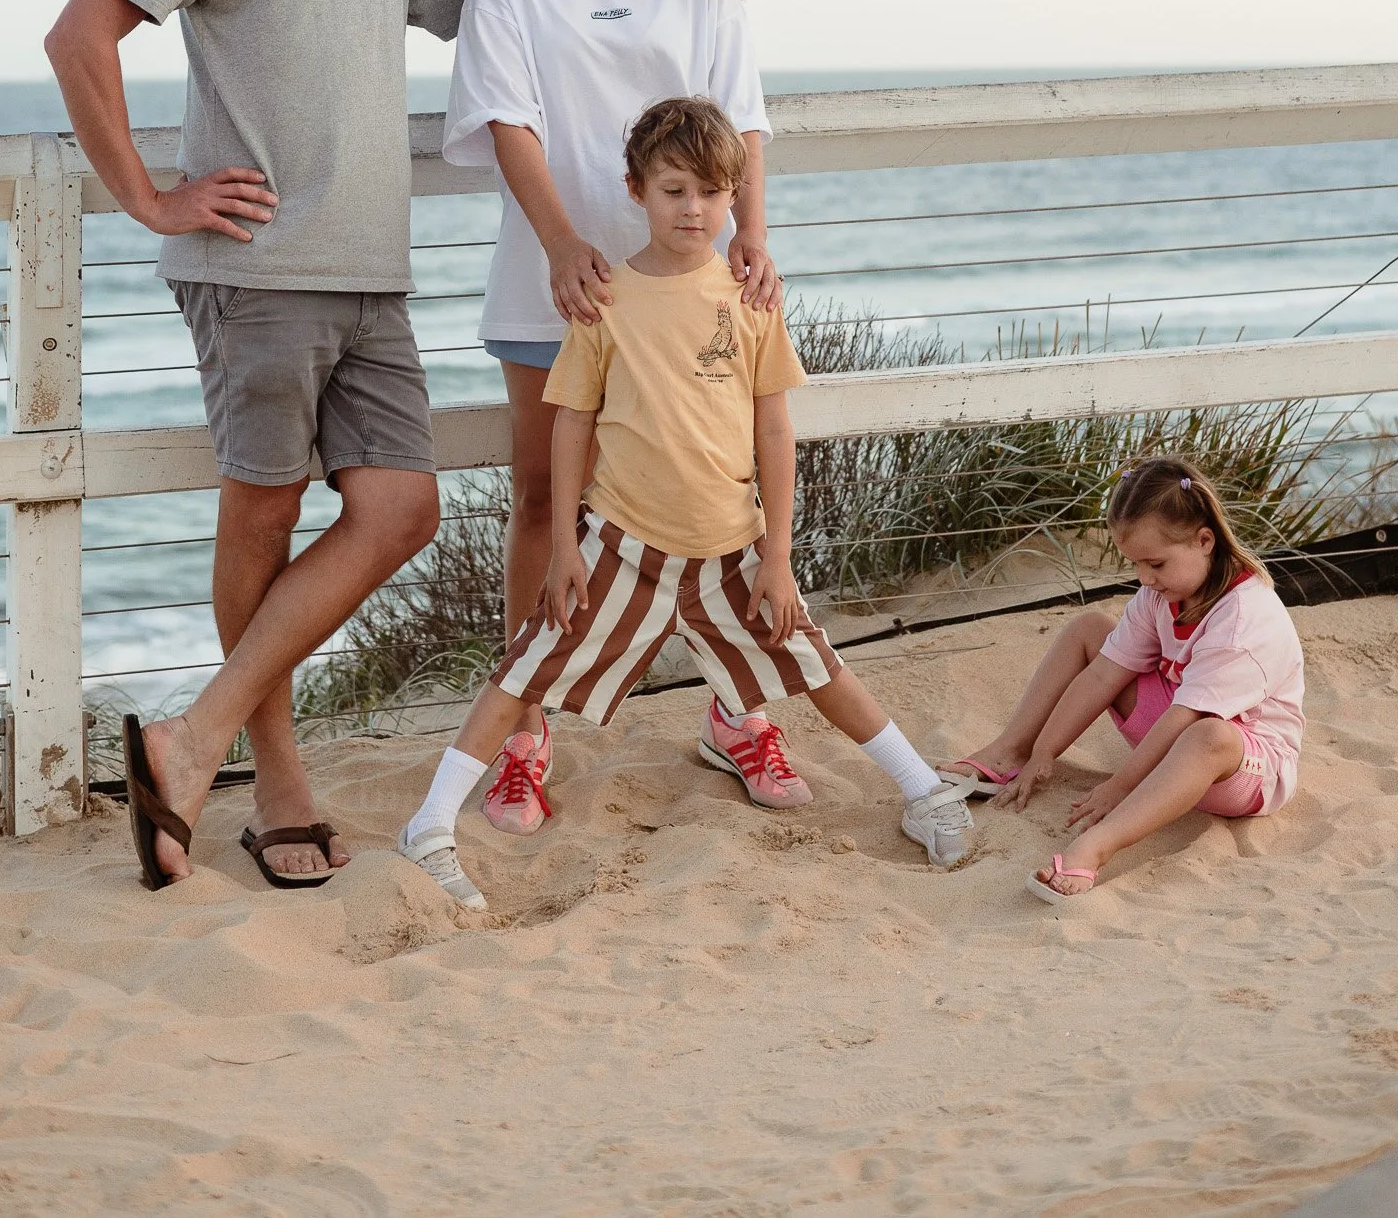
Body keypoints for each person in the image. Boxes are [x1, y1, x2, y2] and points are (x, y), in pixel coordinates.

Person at [44, 0, 474, 891]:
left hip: (368, 274)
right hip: (254, 270)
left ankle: (189, 739)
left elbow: (497, 8)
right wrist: (147, 194)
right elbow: (82, 32)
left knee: (400, 509)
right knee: (266, 516)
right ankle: (271, 784)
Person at [396, 97, 978, 907]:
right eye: (673, 190)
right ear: (635, 190)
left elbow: (774, 434)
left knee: (813, 663)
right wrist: (564, 545)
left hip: (730, 548)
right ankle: (427, 826)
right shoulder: (605, 299)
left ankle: (922, 791)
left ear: (732, 196)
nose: (693, 208)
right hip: (623, 545)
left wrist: (776, 556)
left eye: (710, 192)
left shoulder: (749, 300)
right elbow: (570, 427)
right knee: (526, 665)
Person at [440, 0, 780, 832]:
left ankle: (736, 713)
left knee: (715, 489)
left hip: (689, 289)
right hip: (560, 285)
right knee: (546, 503)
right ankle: (523, 736)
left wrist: (753, 241)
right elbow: (506, 116)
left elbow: (743, 122)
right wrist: (560, 243)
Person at [946, 456, 1305, 907]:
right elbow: (1102, 673)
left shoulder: (1245, 618)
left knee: (1209, 733)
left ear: (1204, 541)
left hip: (1241, 766)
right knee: (1090, 630)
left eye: (1155, 564)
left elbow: (1186, 718)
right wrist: (1046, 750)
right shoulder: (1160, 594)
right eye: (1135, 564)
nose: (1145, 579)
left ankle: (1095, 848)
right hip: (1173, 733)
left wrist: (1121, 786)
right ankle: (1013, 752)